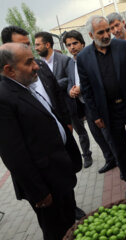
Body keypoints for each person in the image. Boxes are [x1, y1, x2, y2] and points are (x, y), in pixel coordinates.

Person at [1, 26, 87, 220]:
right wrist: (38, 191)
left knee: (67, 215)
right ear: (9, 69)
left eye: (28, 45)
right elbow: (14, 154)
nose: (36, 65)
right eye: (28, 60)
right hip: (44, 180)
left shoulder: (26, 80)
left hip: (58, 165)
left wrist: (65, 125)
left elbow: (55, 98)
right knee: (56, 227)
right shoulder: (5, 97)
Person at [77, 15, 126, 198]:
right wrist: (95, 115)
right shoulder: (84, 58)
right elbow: (87, 89)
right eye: (101, 32)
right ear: (91, 35)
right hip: (108, 112)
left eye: (107, 30)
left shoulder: (123, 47)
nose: (107, 34)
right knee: (120, 148)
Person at [35, 31, 95, 169]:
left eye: (38, 44)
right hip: (54, 107)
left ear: (47, 44)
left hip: (68, 103)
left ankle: (86, 155)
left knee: (80, 131)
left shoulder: (63, 59)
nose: (36, 47)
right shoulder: (39, 64)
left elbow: (70, 79)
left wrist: (54, 85)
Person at [63, 30, 118, 173]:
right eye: (68, 45)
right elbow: (70, 81)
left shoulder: (90, 57)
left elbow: (99, 79)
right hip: (84, 106)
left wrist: (82, 88)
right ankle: (109, 159)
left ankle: (120, 160)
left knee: (108, 134)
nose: (72, 47)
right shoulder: (70, 63)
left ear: (82, 43)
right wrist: (71, 90)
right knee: (97, 135)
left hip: (98, 103)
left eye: (75, 43)